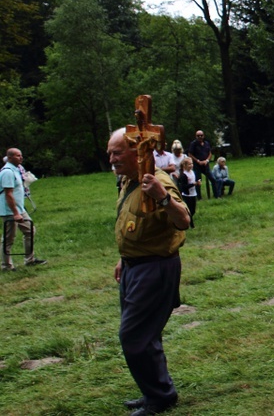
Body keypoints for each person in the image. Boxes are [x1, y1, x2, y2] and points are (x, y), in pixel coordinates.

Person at [108, 128, 191, 416]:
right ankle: (155, 391)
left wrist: (162, 197)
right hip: (133, 266)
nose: (111, 158)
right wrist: (124, 257)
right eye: (110, 152)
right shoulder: (128, 181)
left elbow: (183, 220)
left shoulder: (160, 181)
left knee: (134, 337)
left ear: (137, 151)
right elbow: (135, 223)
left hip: (155, 268)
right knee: (144, 337)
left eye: (117, 152)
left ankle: (160, 398)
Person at [1, 148, 46, 270]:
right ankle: (6, 265)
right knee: (9, 238)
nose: (21, 157)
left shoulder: (16, 170)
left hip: (19, 209)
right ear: (10, 157)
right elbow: (8, 194)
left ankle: (29, 260)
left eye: (21, 155)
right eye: (17, 156)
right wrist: (15, 213)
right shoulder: (7, 172)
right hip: (10, 211)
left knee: (30, 231)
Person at [188, 130, 216, 200]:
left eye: (201, 135)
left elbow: (210, 153)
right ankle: (199, 197)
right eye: (198, 136)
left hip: (206, 165)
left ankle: (216, 195)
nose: (200, 137)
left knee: (213, 179)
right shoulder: (193, 144)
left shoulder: (206, 143)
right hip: (197, 166)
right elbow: (190, 154)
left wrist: (207, 160)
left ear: (203, 136)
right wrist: (197, 161)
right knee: (198, 181)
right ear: (196, 136)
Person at [178, 157, 199, 228]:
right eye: (189, 164)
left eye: (192, 163)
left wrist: (197, 183)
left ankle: (186, 220)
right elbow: (184, 186)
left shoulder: (192, 172)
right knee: (189, 210)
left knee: (193, 210)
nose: (191, 165)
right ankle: (191, 225)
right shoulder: (184, 175)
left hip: (193, 193)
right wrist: (194, 184)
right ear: (185, 165)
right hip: (187, 195)